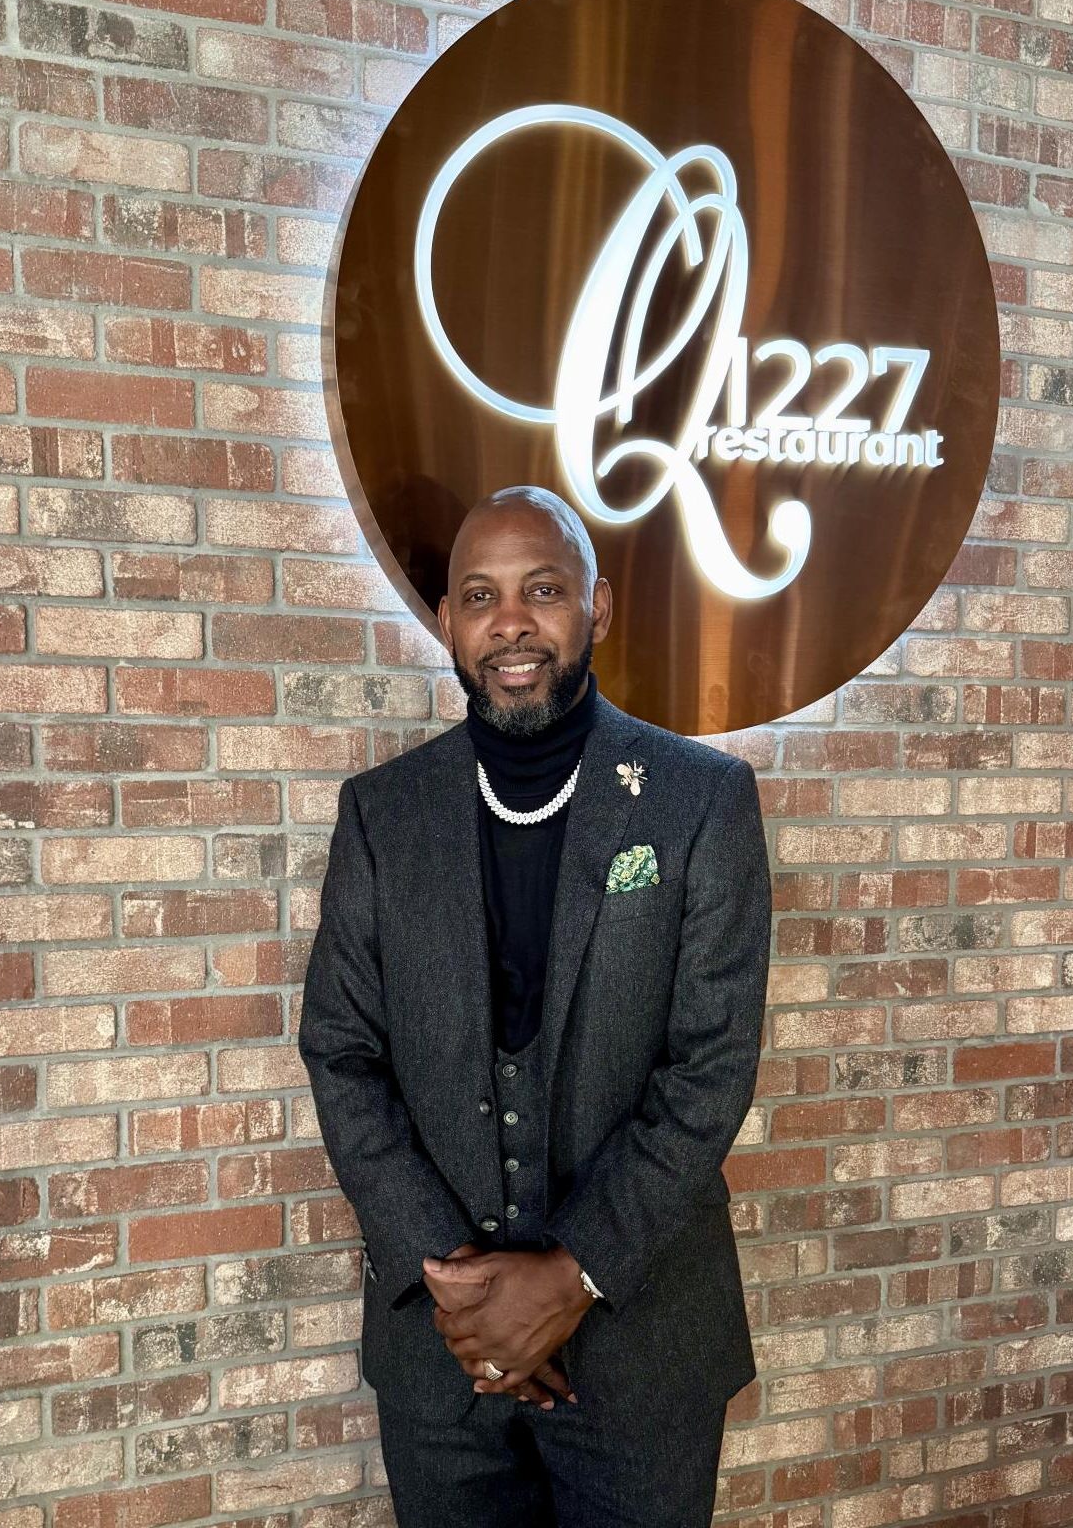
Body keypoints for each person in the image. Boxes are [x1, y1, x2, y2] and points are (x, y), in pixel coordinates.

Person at [298, 484, 773, 1527]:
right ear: (446, 624)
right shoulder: (381, 815)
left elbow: (709, 1068)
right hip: (442, 1355)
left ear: (595, 606)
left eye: (542, 589)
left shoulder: (701, 801)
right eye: (480, 595)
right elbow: (341, 1052)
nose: (510, 620)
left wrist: (572, 1276)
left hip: (642, 1343)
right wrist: (470, 1299)